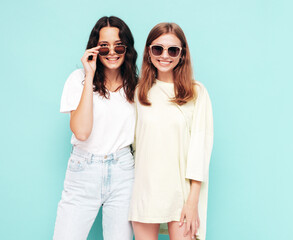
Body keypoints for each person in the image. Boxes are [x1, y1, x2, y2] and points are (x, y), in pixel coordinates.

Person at [53, 16, 138, 240]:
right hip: (83, 170)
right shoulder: (78, 79)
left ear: (126, 48)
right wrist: (90, 74)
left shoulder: (136, 87)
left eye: (118, 45)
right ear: (94, 48)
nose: (112, 52)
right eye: (104, 46)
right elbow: (81, 132)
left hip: (123, 172)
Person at [128, 22, 214, 240]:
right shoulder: (139, 92)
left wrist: (193, 201)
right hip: (145, 190)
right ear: (149, 52)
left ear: (182, 55)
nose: (164, 55)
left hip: (182, 194)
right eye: (158, 49)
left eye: (172, 50)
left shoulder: (196, 93)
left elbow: (199, 149)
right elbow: (133, 145)